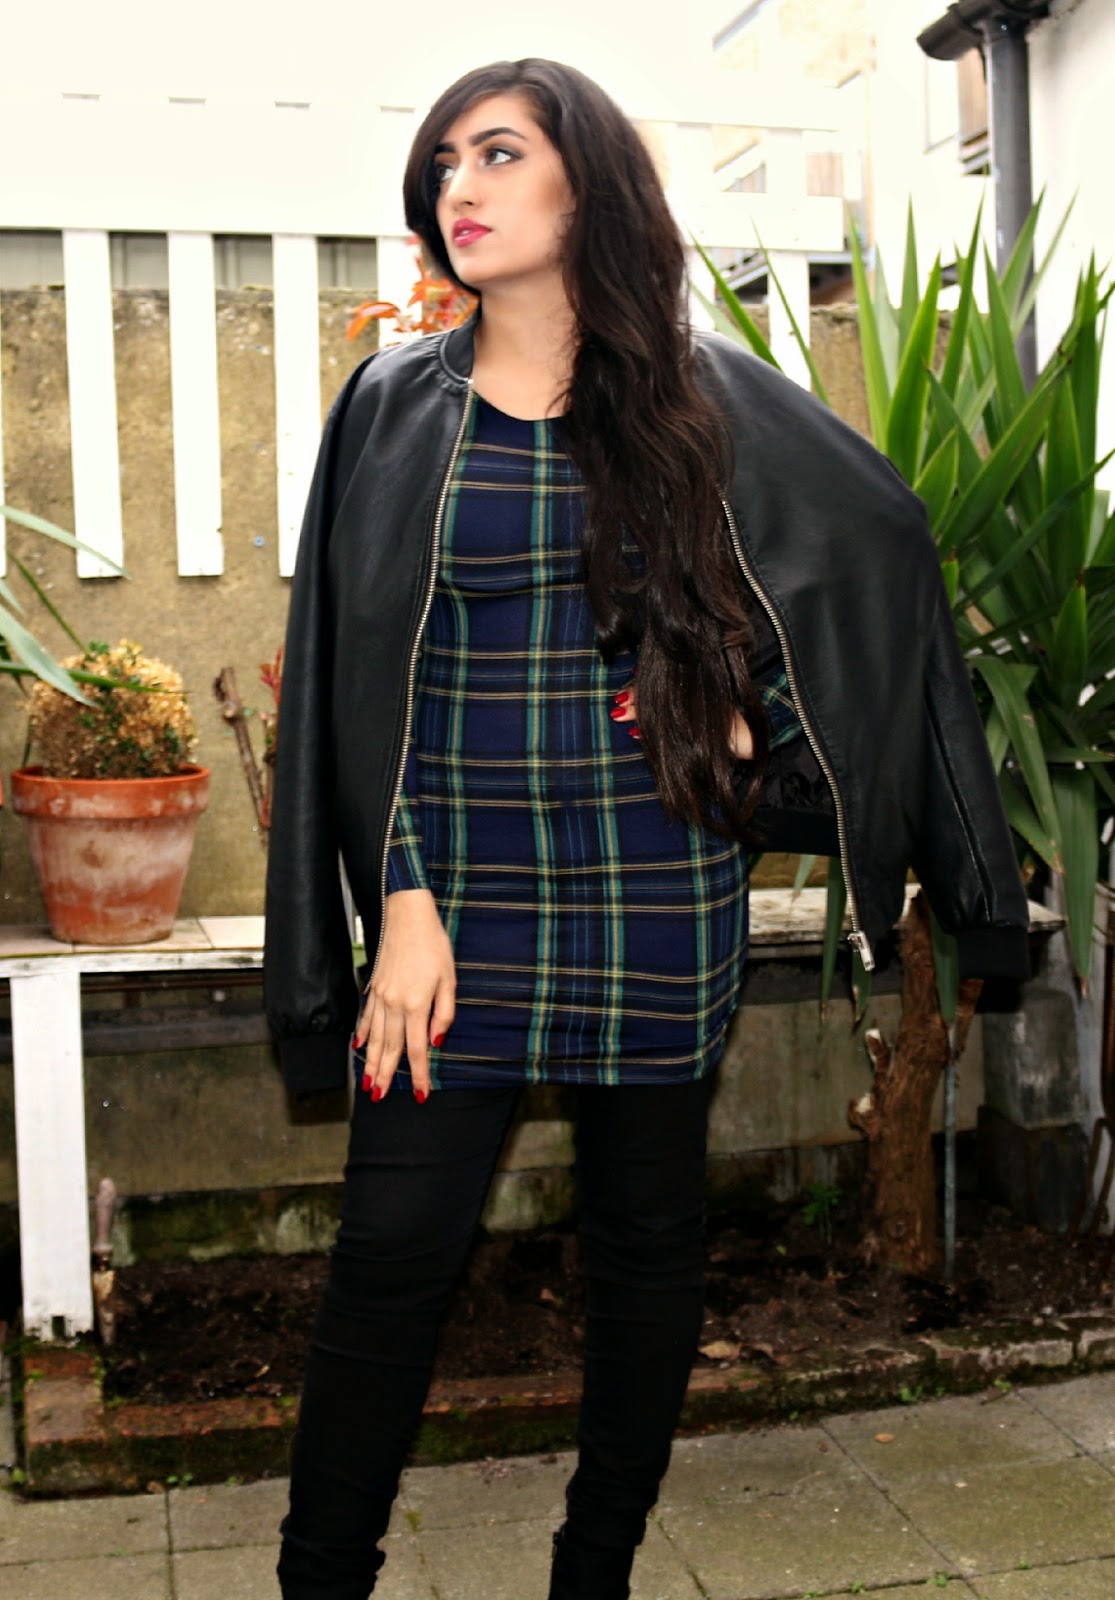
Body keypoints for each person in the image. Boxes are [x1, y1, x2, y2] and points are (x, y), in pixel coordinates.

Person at [263, 57, 1029, 1600]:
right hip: (451, 918)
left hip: (652, 895)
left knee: (646, 1257)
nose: (459, 188)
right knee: (390, 1262)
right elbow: (354, 683)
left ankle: (594, 1573)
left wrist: (753, 718)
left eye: (498, 154)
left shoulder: (702, 406)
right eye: (443, 164)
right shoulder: (393, 410)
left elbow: (877, 549)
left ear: (589, 183)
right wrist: (398, 898)